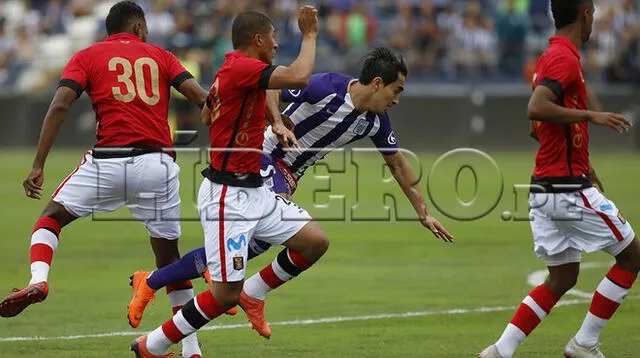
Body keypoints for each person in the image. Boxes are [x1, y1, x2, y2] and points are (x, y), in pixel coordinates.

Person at [126, 46, 456, 339]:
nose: (397, 100)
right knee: (273, 240)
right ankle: (213, 294)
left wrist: (423, 212)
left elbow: (398, 166)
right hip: (263, 158)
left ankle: (161, 281)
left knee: (265, 245)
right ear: (378, 84)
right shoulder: (327, 86)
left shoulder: (375, 122)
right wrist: (277, 122)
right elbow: (271, 85)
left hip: (289, 175)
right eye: (397, 90)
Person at [0, 2, 209, 357]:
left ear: (109, 31)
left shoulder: (88, 55)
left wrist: (38, 164)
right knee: (170, 260)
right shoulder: (161, 55)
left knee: (50, 218)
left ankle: (39, 281)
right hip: (157, 164)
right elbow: (202, 99)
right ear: (140, 27)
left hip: (107, 161)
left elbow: (60, 106)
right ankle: (191, 349)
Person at [131, 7, 323, 357]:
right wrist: (309, 34)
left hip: (256, 191)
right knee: (224, 295)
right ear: (258, 39)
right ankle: (153, 344)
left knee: (314, 242)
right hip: (229, 196)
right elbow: (298, 77)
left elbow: (208, 114)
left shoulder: (231, 69)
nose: (278, 44)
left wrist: (273, 120)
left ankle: (255, 292)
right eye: (274, 38)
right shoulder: (242, 68)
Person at [479, 1, 639, 357]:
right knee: (632, 257)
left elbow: (538, 129)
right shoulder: (564, 59)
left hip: (546, 188)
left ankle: (500, 351)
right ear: (584, 14)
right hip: (566, 189)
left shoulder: (550, 56)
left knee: (563, 277)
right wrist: (590, 116)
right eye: (593, 15)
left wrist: (583, 159)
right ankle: (584, 343)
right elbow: (536, 109)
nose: (593, 22)